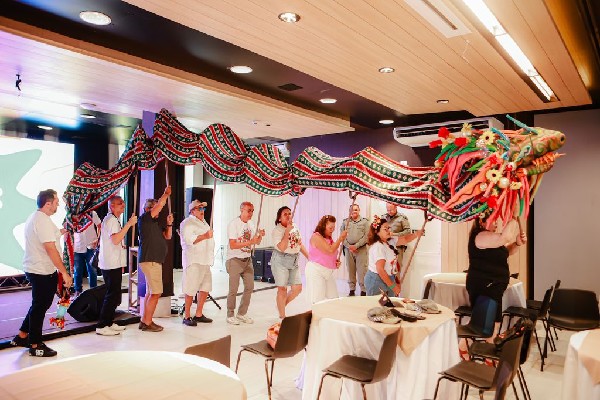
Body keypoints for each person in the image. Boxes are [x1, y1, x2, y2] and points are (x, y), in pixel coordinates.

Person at [10, 189, 73, 357]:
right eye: (56, 202)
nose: (58, 205)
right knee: (40, 307)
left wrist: (61, 232)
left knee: (39, 305)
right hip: (41, 271)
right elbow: (50, 248)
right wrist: (64, 273)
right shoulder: (42, 220)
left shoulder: (39, 218)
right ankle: (35, 344)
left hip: (38, 269)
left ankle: (22, 336)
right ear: (48, 203)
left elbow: (48, 237)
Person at [466, 216, 526, 330]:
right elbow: (506, 237)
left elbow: (506, 252)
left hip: (494, 286)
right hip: (485, 286)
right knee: (489, 324)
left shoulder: (492, 238)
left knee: (491, 323)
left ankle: (466, 342)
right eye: (493, 219)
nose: (496, 222)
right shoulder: (480, 236)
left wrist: (517, 243)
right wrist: (514, 215)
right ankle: (483, 342)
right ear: (481, 221)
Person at [96, 196, 137, 336]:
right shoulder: (111, 220)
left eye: (123, 203)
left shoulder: (113, 219)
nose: (123, 206)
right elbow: (115, 239)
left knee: (114, 295)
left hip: (113, 262)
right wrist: (129, 224)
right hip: (110, 263)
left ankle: (108, 322)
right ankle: (102, 325)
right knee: (112, 295)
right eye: (120, 204)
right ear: (111, 206)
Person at [138, 186, 173, 332]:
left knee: (150, 292)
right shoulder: (145, 219)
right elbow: (159, 205)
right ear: (147, 209)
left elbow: (168, 236)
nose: (157, 211)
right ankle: (148, 322)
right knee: (156, 292)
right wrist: (165, 194)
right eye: (153, 208)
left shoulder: (154, 224)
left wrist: (169, 223)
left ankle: (144, 320)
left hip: (153, 260)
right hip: (151, 260)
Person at [226, 201, 265, 325]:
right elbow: (233, 245)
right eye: (248, 210)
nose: (251, 213)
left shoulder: (251, 224)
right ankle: (230, 314)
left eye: (252, 211)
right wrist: (251, 242)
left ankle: (242, 313)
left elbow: (256, 242)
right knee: (233, 289)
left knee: (249, 287)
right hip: (234, 259)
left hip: (247, 260)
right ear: (241, 210)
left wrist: (260, 236)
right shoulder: (234, 224)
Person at [180, 199, 215, 327]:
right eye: (199, 208)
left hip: (205, 260)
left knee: (205, 287)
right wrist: (205, 236)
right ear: (192, 211)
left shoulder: (204, 222)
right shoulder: (187, 223)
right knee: (190, 289)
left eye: (203, 208)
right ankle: (187, 316)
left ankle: (199, 314)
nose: (202, 211)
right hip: (194, 261)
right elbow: (189, 240)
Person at [271, 206, 309, 319]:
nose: (288, 216)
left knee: (297, 288)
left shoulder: (294, 226)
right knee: (282, 289)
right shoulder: (277, 231)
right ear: (279, 218)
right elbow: (282, 248)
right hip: (280, 260)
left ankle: (281, 305)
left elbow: (299, 244)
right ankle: (282, 316)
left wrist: (309, 256)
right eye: (285, 214)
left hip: (294, 260)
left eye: (289, 213)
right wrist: (287, 231)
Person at [305, 215, 348, 304]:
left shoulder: (329, 238)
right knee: (318, 300)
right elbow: (330, 250)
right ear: (323, 226)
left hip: (327, 272)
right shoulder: (316, 237)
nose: (332, 230)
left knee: (334, 298)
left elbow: (329, 254)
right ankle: (316, 313)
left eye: (333, 228)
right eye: (330, 228)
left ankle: (330, 313)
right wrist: (340, 238)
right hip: (316, 270)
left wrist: (335, 262)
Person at [341, 204, 369, 296]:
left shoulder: (365, 222)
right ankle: (352, 290)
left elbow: (367, 236)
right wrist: (349, 246)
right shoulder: (345, 222)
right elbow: (342, 237)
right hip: (348, 250)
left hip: (361, 250)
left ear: (359, 210)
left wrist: (356, 246)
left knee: (362, 271)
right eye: (352, 210)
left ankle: (363, 291)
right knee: (350, 270)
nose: (354, 211)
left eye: (356, 209)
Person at [72, 210, 101, 297]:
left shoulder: (92, 213)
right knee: (77, 271)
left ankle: (93, 291)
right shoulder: (72, 214)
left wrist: (98, 239)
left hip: (91, 245)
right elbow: (68, 229)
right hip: (77, 246)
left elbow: (100, 226)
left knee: (92, 270)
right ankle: (77, 291)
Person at [382, 203, 412, 270]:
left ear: (396, 207)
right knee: (386, 267)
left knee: (396, 268)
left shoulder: (402, 218)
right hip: (386, 246)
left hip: (397, 246)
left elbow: (408, 232)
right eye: (388, 210)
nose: (389, 212)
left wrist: (394, 234)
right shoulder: (384, 217)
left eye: (391, 210)